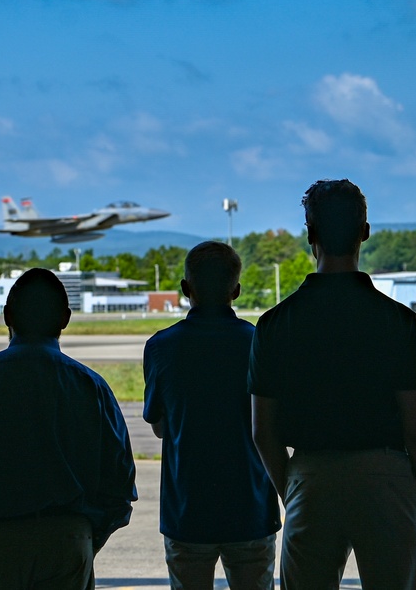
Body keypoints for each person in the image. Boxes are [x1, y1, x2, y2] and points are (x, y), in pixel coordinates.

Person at [250, 178, 416, 590]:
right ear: (364, 232)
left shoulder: (274, 324)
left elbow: (263, 430)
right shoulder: (398, 321)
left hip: (310, 476)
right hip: (386, 479)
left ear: (310, 234)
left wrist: (292, 490)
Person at [0, 267, 137, 589]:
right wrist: (85, 539)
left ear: (6, 316)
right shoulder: (91, 387)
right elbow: (120, 482)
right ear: (66, 319)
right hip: (67, 538)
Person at [144, 241, 281, 590]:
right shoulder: (259, 342)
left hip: (187, 511)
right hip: (251, 510)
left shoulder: (161, 346)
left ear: (185, 288)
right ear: (236, 290)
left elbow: (159, 426)